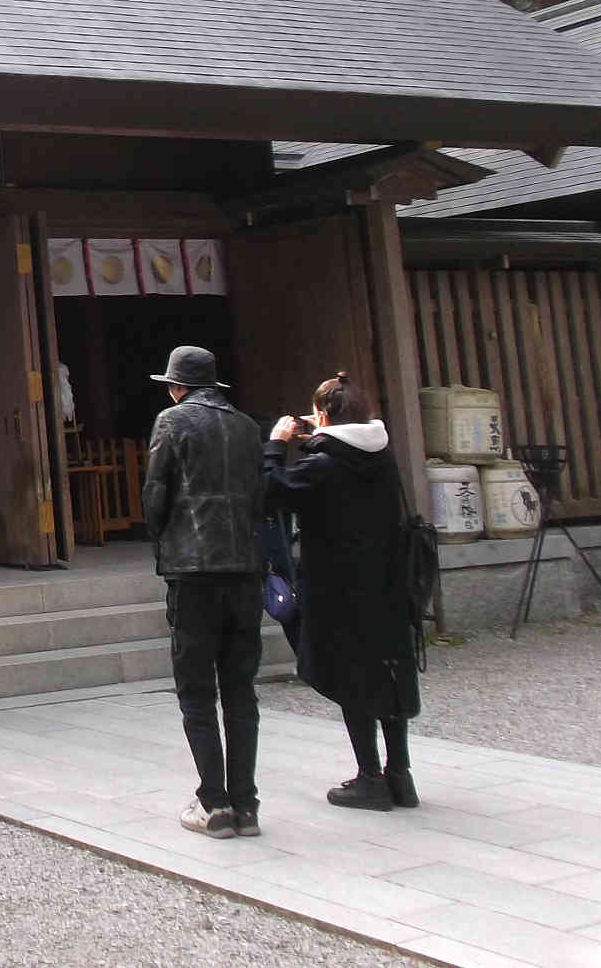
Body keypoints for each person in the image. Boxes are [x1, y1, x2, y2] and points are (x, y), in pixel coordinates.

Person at [264, 371, 421, 810]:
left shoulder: (323, 464)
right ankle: (400, 775)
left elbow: (273, 491)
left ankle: (369, 776)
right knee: (387, 672)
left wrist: (277, 444)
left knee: (352, 678)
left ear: (323, 414)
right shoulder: (382, 454)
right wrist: (322, 435)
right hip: (388, 584)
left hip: (339, 587)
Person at [142, 345, 265, 840]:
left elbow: (156, 493)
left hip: (193, 571)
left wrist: (162, 537)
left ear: (177, 386)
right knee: (240, 688)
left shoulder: (172, 422)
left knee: (196, 688)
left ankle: (213, 800)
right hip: (243, 569)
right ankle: (247, 804)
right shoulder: (248, 427)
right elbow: (260, 494)